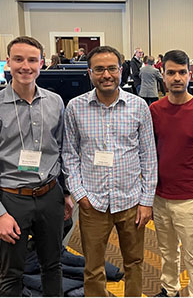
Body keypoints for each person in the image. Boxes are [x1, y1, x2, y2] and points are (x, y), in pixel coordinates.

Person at [0, 36, 74, 296]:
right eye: (18, 59)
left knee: (53, 265)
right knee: (11, 273)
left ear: (42, 63)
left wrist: (68, 192)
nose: (25, 66)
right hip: (12, 200)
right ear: (8, 62)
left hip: (50, 195)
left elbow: (63, 151)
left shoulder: (55, 102)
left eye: (31, 60)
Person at [63, 45, 158, 297]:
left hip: (131, 201)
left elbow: (149, 157)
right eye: (99, 69)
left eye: (112, 68)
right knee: (93, 267)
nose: (106, 74)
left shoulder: (139, 107)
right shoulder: (75, 108)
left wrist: (147, 201)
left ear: (121, 70)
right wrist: (79, 194)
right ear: (89, 73)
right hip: (92, 203)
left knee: (135, 263)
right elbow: (69, 155)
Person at [150, 50, 193, 297]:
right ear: (163, 76)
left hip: (189, 199)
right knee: (166, 251)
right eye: (171, 73)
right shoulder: (154, 110)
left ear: (190, 74)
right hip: (159, 196)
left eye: (181, 72)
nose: (176, 77)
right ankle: (170, 289)